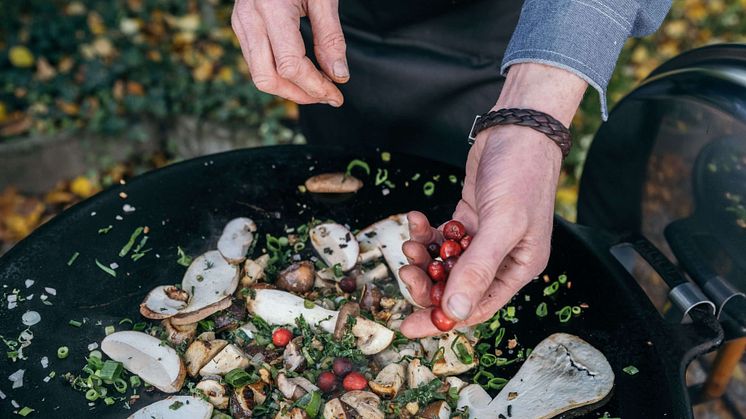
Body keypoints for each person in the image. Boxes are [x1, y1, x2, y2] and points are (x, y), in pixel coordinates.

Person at [231, 0, 672, 337]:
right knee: (343, 154)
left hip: (493, 37)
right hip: (343, 22)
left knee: (455, 199)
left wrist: (531, 115)